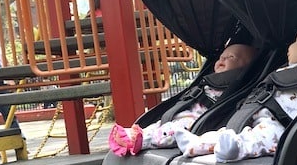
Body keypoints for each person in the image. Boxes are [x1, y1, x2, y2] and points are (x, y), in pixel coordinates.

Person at [174, 24, 297, 163]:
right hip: (260, 117)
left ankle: (234, 151)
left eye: (296, 41)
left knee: (257, 140)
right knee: (226, 133)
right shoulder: (286, 71)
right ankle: (196, 144)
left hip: (284, 128)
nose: (290, 47)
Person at [108, 43, 257, 156]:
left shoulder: (240, 87)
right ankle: (136, 134)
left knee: (174, 130)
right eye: (221, 57)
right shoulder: (210, 81)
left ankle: (141, 140)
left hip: (199, 119)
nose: (222, 60)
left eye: (231, 57)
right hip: (187, 111)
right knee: (160, 124)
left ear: (247, 67)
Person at [0, 36, 22, 134]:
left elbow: (2, 60)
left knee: (8, 112)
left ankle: (17, 135)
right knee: (7, 111)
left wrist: (8, 78)